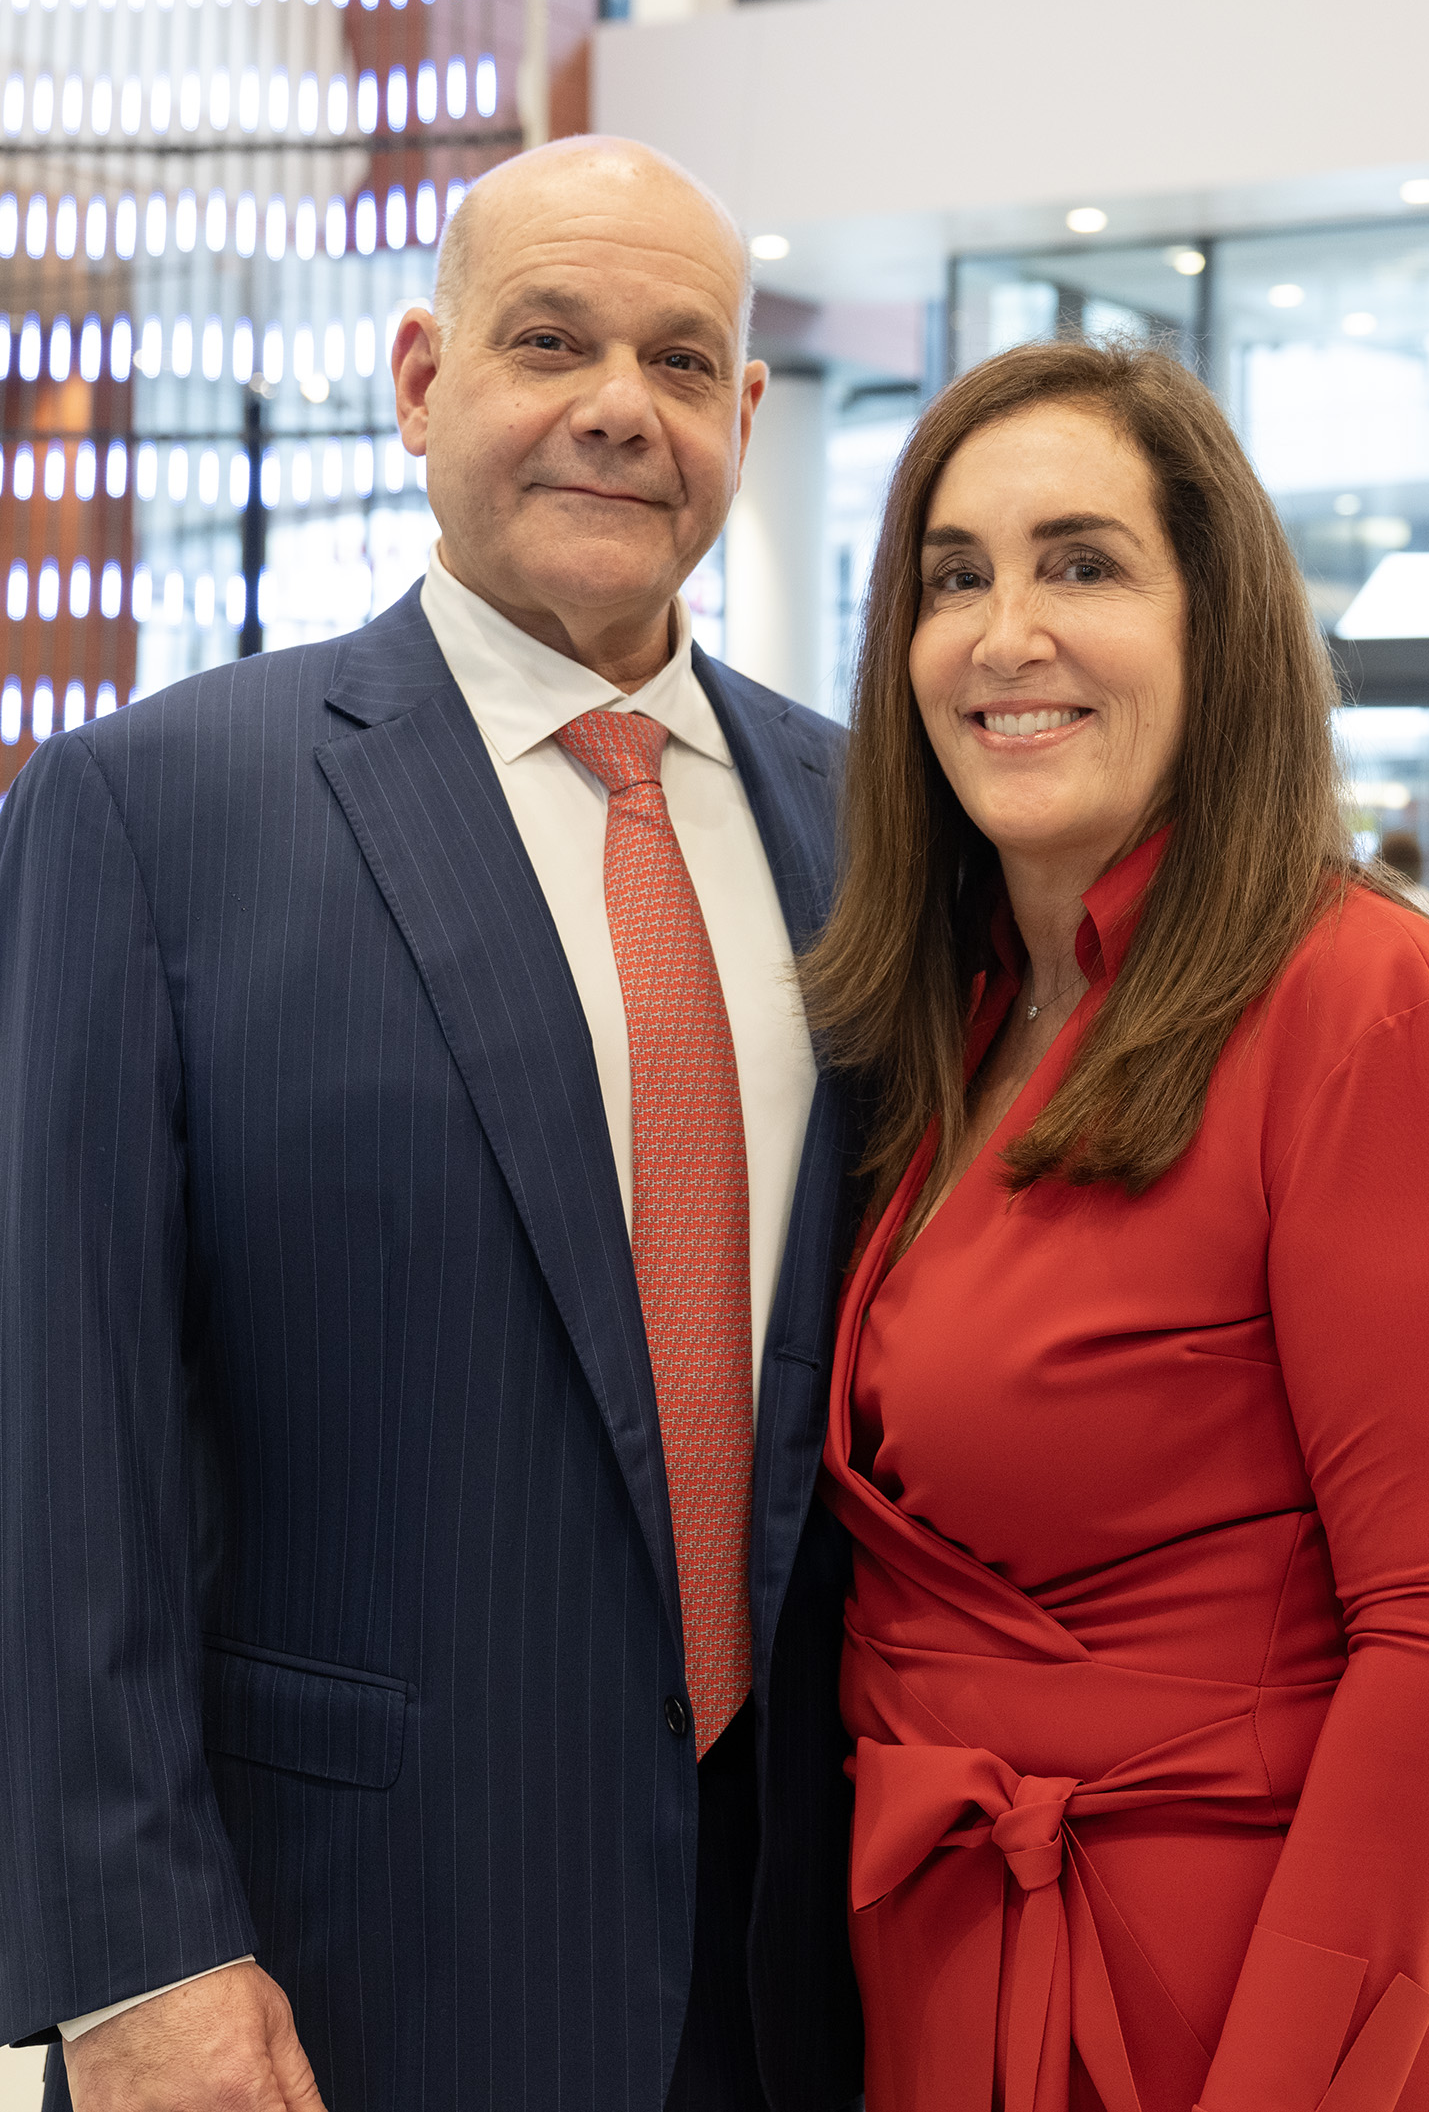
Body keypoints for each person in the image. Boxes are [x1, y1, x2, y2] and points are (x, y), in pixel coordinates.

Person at [0, 137, 862, 2112]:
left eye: (678, 359)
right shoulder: (148, 812)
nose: (618, 407)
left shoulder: (867, 824)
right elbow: (55, 1438)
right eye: (549, 341)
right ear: (418, 380)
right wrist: (135, 1960)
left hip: (801, 1971)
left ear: (743, 414)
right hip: (345, 1967)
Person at [800, 338, 1429, 2111]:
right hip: (952, 1971)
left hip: (1252, 2005)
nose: (1005, 634)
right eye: (955, 576)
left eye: (1082, 564)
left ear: (1218, 628)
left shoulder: (1365, 1002)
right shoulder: (952, 1016)